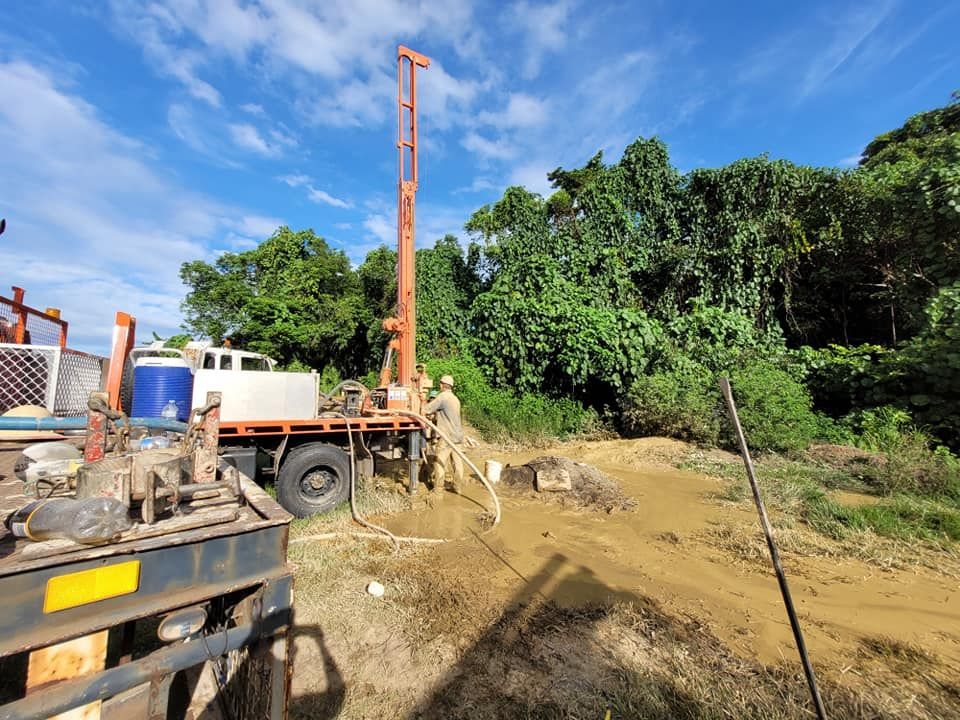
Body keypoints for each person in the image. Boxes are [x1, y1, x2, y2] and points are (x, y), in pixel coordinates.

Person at [424, 374, 464, 494]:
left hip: (447, 436)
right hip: (458, 436)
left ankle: (438, 489)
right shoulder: (455, 399)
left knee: (439, 461)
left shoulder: (443, 397)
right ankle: (457, 487)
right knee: (457, 463)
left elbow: (426, 409)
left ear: (442, 385)